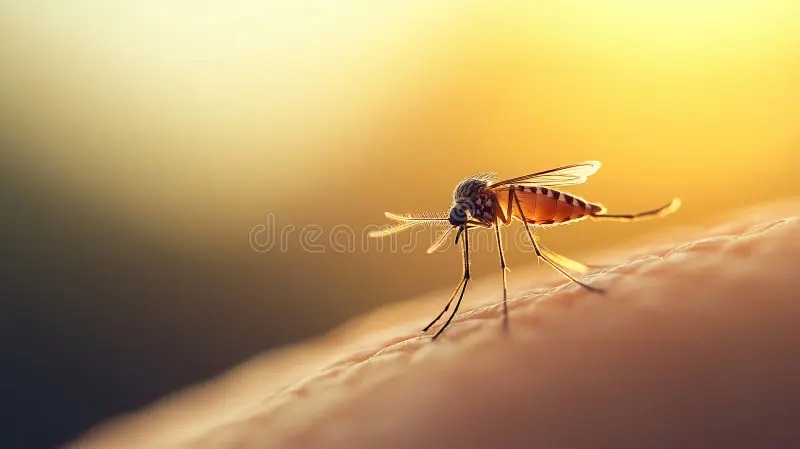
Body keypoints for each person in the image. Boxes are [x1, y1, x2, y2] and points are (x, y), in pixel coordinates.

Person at [69, 201, 800, 449]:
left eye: (460, 221)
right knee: (519, 245)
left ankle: (631, 221)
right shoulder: (472, 214)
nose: (460, 228)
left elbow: (514, 224)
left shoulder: (494, 205)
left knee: (534, 239)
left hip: (532, 204)